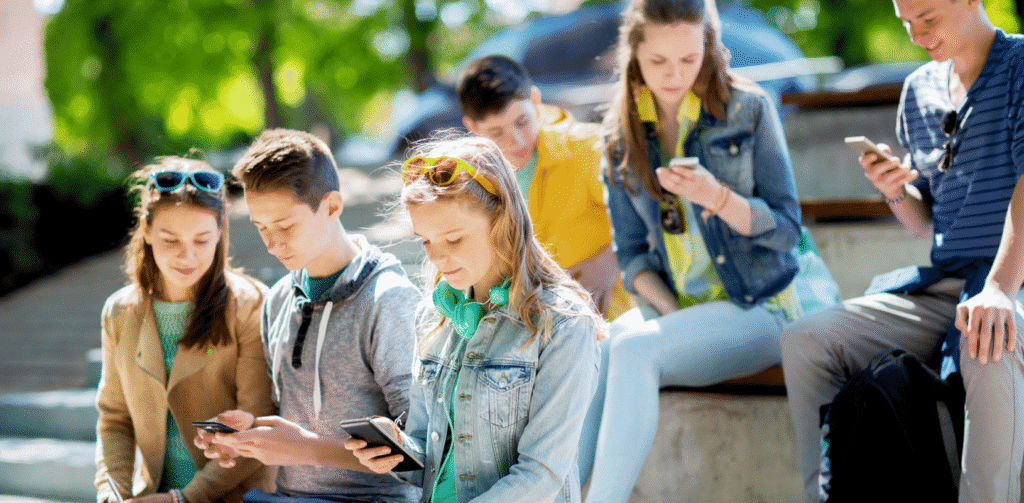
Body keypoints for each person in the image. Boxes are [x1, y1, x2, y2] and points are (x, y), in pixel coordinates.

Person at [577, 0, 839, 501]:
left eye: (689, 59)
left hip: (763, 303)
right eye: (658, 62)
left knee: (634, 348)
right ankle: (557, 493)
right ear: (635, 55)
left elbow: (787, 230)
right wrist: (673, 318)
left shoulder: (748, 109)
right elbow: (632, 256)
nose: (674, 75)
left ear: (709, 49)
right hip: (688, 306)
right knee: (598, 348)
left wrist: (717, 198)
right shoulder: (618, 135)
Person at [780, 1, 1024, 501]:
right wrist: (894, 190)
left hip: (1012, 282)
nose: (916, 36)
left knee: (988, 346)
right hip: (945, 286)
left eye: (928, 19)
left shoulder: (1020, 67)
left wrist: (999, 287)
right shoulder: (919, 90)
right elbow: (927, 221)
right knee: (806, 339)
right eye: (906, 23)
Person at [344, 135, 603, 503]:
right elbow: (430, 464)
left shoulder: (562, 323)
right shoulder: (433, 316)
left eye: (454, 239)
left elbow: (541, 474)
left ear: (502, 221)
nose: (437, 257)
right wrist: (398, 449)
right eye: (425, 241)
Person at [194, 129, 421, 503]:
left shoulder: (388, 300)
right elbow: (294, 421)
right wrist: (249, 434)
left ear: (332, 206)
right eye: (261, 227)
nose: (272, 243)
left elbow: (419, 452)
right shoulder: (280, 299)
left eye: (285, 226)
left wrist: (306, 449)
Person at [95, 157, 274, 503]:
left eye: (202, 240)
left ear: (221, 232)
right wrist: (111, 492)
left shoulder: (250, 303)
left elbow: (257, 421)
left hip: (238, 496)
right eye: (170, 240)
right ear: (146, 231)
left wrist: (186, 499)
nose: (187, 257)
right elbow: (115, 419)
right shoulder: (119, 312)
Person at [456, 55, 632, 319]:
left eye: (522, 122)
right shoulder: (475, 181)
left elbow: (650, 219)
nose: (515, 140)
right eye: (496, 133)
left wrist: (608, 264)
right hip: (536, 325)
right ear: (472, 128)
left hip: (610, 318)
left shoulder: (589, 148)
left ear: (535, 100)